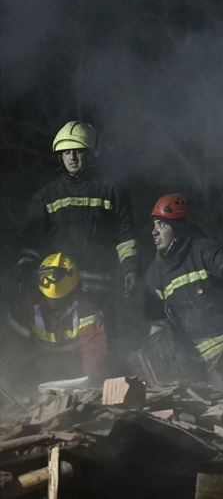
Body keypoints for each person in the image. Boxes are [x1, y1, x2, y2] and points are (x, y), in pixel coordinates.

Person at [18, 121, 141, 369]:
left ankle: (106, 387)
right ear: (60, 157)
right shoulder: (47, 196)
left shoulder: (111, 191)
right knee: (64, 346)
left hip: (100, 285)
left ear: (91, 153)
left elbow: (125, 236)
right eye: (66, 152)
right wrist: (24, 275)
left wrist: (131, 268)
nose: (72, 158)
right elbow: (31, 243)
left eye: (78, 151)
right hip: (60, 289)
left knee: (103, 345)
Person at [144, 194, 223, 380]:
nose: (154, 232)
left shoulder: (204, 251)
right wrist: (158, 341)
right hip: (195, 367)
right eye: (154, 226)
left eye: (161, 225)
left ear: (178, 227)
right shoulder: (155, 274)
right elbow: (158, 317)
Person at [7, 252, 110, 384]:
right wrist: (12, 381)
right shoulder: (27, 306)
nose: (54, 305)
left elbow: (93, 348)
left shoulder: (86, 308)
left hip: (76, 367)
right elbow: (13, 346)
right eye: (49, 299)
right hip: (39, 368)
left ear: (74, 292)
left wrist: (93, 380)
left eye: (60, 300)